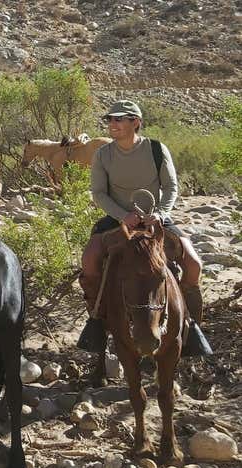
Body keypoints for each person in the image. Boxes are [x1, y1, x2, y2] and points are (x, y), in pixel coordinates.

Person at [78, 99, 210, 356]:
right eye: (110, 119)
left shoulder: (157, 149)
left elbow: (171, 188)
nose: (112, 124)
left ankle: (190, 326)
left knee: (194, 264)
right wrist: (122, 216)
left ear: (135, 122)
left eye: (119, 119)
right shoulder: (103, 154)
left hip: (155, 218)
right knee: (90, 261)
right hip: (117, 219)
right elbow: (99, 194)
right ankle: (97, 321)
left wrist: (160, 214)